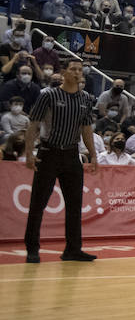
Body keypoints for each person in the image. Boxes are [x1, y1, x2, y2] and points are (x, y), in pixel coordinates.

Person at [23, 57, 99, 263]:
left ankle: (73, 249)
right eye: (73, 69)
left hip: (72, 155)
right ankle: (32, 248)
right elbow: (33, 124)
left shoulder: (86, 99)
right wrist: (29, 153)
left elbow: (86, 129)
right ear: (64, 72)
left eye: (80, 69)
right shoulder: (48, 95)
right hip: (49, 152)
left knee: (75, 205)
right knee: (38, 203)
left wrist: (93, 154)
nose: (77, 73)